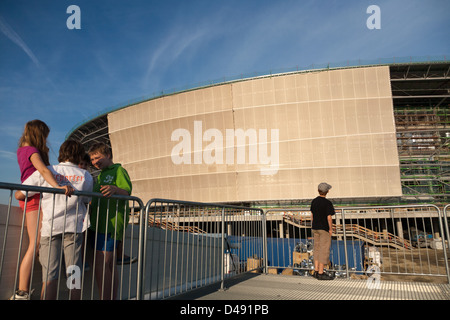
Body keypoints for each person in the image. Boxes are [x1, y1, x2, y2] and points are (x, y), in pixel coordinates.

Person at [15, 140, 93, 299]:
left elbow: (20, 194)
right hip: (74, 227)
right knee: (74, 272)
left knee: (50, 274)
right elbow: (86, 200)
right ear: (79, 156)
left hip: (50, 227)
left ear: (61, 153)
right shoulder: (85, 175)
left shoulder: (48, 171)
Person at [11, 120, 73, 300]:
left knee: (39, 245)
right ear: (40, 134)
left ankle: (35, 287)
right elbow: (44, 171)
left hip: (34, 198)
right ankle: (22, 292)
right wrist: (58, 187)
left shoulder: (23, 150)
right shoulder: (31, 151)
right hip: (34, 200)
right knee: (36, 244)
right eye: (45, 135)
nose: (47, 139)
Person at [87, 142, 132, 300]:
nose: (94, 162)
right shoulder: (99, 175)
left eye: (97, 157)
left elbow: (127, 192)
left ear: (108, 155)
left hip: (110, 225)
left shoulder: (119, 170)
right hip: (97, 224)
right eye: (92, 159)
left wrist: (115, 189)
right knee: (109, 266)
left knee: (104, 265)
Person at [310, 182, 335, 280]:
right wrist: (330, 229)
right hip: (323, 229)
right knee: (324, 250)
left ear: (318, 190)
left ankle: (316, 271)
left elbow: (312, 215)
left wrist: (314, 224)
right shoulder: (327, 203)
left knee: (316, 249)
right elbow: (329, 217)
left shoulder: (314, 201)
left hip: (315, 227)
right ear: (327, 191)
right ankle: (321, 273)